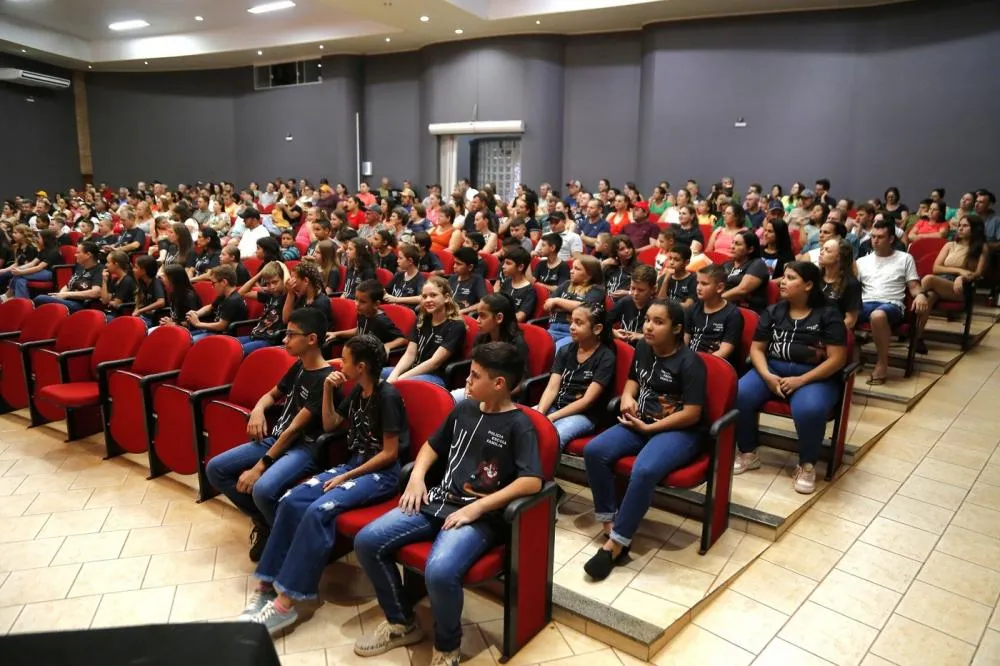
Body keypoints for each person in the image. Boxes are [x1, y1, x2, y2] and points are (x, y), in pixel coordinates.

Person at [352, 342, 541, 666]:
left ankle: (447, 648)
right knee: (367, 541)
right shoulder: (465, 408)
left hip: (477, 516)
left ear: (499, 384)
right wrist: (417, 477)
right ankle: (401, 623)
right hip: (438, 500)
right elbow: (431, 446)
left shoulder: (520, 424)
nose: (467, 380)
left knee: (440, 571)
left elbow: (532, 481)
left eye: (475, 375)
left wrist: (478, 508)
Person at [240, 334, 408, 634]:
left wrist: (345, 476)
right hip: (352, 467)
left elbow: (389, 453)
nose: (339, 364)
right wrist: (330, 390)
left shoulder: (388, 396)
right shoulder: (357, 390)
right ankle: (267, 585)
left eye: (344, 360)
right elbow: (330, 425)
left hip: (380, 475)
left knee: (318, 511)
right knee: (290, 500)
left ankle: (284, 606)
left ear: (361, 366)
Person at [582, 299, 705, 580]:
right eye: (647, 319)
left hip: (678, 430)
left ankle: (618, 542)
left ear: (676, 329)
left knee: (645, 469)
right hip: (641, 422)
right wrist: (627, 397)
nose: (648, 326)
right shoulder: (643, 348)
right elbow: (633, 381)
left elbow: (693, 413)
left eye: (658, 322)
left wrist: (652, 430)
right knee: (594, 451)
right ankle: (608, 522)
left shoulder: (690, 362)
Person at [206, 308, 334, 561]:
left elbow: (295, 429)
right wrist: (258, 410)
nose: (284, 340)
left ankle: (291, 547)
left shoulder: (325, 377)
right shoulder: (299, 367)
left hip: (302, 448)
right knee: (215, 469)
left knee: (262, 489)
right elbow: (271, 394)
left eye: (291, 335)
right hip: (277, 439)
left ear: (311, 339)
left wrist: (259, 467)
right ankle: (269, 525)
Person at [733, 261, 848, 493]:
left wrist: (800, 381)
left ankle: (806, 465)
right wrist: (766, 375)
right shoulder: (773, 311)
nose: (782, 282)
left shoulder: (828, 314)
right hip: (773, 369)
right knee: (739, 394)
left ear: (808, 285)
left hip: (813, 375)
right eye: (783, 277)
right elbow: (757, 349)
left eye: (790, 278)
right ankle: (748, 452)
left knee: (810, 409)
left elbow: (837, 359)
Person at [535, 304, 616, 450]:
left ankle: (539, 473)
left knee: (552, 437)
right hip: (555, 406)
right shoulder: (565, 349)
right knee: (522, 424)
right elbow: (552, 388)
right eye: (571, 321)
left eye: (578, 323)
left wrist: (552, 417)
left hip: (582, 415)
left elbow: (587, 401)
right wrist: (540, 414)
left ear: (597, 329)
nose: (571, 327)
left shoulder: (606, 357)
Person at [856, 221, 926, 385]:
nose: (875, 240)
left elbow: (914, 285)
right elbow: (852, 288)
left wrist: (921, 295)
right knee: (840, 312)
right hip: (865, 303)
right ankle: (854, 353)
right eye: (873, 236)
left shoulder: (905, 258)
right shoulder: (861, 261)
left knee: (878, 315)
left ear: (891, 239)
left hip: (892, 304)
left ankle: (882, 363)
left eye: (880, 237)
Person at [914, 215, 987, 352]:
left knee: (928, 280)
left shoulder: (981, 248)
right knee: (928, 297)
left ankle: (907, 312)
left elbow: (977, 273)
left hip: (961, 288)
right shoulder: (950, 245)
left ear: (975, 229)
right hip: (941, 282)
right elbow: (937, 268)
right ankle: (917, 338)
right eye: (959, 225)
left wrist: (962, 278)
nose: (960, 228)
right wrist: (960, 272)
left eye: (965, 226)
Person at [383, 276, 466, 387]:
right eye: (424, 296)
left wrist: (400, 378)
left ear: (446, 298)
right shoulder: (422, 319)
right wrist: (394, 375)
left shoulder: (456, 326)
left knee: (401, 384)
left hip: (435, 376)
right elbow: (410, 354)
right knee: (375, 374)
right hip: (414, 370)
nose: (427, 300)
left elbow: (434, 362)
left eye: (433, 295)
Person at [448, 293, 529, 402]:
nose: (477, 320)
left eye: (483, 316)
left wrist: (488, 395)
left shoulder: (517, 344)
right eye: (477, 315)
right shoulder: (481, 338)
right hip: (478, 389)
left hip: (501, 398)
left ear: (499, 318)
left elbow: (520, 383)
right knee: (449, 399)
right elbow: (473, 370)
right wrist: (469, 388)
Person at [326, 279, 408, 357]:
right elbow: (359, 330)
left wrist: (387, 346)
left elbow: (403, 340)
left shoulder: (382, 321)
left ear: (376, 304)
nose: (357, 304)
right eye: (356, 299)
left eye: (362, 302)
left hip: (372, 363)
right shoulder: (362, 312)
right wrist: (336, 334)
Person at [685, 264, 744, 366]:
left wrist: (698, 365)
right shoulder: (693, 308)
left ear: (719, 287)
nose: (698, 287)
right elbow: (685, 340)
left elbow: (725, 351)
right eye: (697, 283)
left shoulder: (733, 315)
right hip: (689, 360)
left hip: (714, 364)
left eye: (704, 284)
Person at [545, 255, 605, 350]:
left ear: (589, 276)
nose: (571, 271)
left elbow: (584, 308)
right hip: (552, 329)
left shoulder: (596, 290)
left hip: (573, 333)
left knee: (556, 350)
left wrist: (557, 301)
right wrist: (570, 306)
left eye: (577, 269)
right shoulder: (566, 284)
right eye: (572, 267)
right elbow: (547, 305)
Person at [33, 241, 104, 312]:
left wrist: (67, 294)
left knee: (40, 299)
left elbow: (96, 292)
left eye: (78, 252)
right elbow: (69, 285)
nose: (75, 255)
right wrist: (60, 295)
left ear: (88, 255)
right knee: (43, 300)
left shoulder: (99, 270)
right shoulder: (81, 266)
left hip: (81, 304)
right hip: (69, 299)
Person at [238, 261, 291, 354]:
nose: (272, 287)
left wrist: (283, 267)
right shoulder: (269, 295)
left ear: (282, 279)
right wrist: (260, 273)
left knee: (237, 351)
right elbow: (242, 292)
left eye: (275, 282)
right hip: (255, 335)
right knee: (227, 346)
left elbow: (288, 284)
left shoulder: (288, 296)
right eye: (268, 283)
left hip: (269, 340)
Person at [186, 265, 248, 339]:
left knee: (188, 341)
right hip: (213, 331)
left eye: (213, 283)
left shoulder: (233, 300)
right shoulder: (224, 295)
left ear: (224, 282)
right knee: (185, 336)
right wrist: (196, 313)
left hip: (223, 336)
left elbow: (221, 326)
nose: (212, 286)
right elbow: (210, 307)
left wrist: (198, 323)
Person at [721, 230, 770, 313]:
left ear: (750, 249)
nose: (732, 246)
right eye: (733, 242)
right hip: (726, 308)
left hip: (747, 311)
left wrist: (717, 300)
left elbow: (742, 290)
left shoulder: (758, 264)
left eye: (737, 244)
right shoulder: (727, 264)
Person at [5, 229, 61, 301]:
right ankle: (22, 301)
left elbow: (39, 267)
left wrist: (21, 272)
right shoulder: (44, 249)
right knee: (20, 279)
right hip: (42, 271)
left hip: (50, 273)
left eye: (39, 237)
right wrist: (19, 268)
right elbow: (32, 263)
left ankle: (10, 295)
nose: (37, 239)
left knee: (19, 275)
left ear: (45, 239)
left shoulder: (54, 252)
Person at [819, 238, 862, 329]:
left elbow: (850, 320)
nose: (821, 252)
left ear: (839, 257)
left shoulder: (851, 284)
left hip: (837, 332)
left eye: (827, 250)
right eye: (822, 249)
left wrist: (830, 332)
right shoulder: (814, 278)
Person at [609, 265, 657, 345]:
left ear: (653, 289)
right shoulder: (625, 301)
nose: (635, 294)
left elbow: (665, 339)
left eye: (641, 290)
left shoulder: (658, 308)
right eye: (633, 288)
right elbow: (603, 323)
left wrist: (641, 336)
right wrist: (614, 332)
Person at [282, 262, 331, 332]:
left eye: (294, 280)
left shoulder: (321, 303)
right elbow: (286, 319)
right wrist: (290, 293)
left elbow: (308, 331)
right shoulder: (302, 297)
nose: (292, 284)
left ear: (305, 281)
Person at [498, 246, 537, 323]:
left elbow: (520, 316)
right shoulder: (507, 282)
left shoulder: (529, 291)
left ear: (520, 267)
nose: (503, 266)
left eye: (508, 263)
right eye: (504, 262)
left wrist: (499, 321)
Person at [447, 247, 486, 314]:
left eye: (458, 264)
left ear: (470, 267)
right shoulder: (452, 278)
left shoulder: (477, 280)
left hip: (464, 315)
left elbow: (484, 302)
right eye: (454, 263)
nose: (454, 266)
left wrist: (462, 311)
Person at [130, 255, 167, 326]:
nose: (133, 269)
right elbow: (139, 299)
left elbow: (161, 302)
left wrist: (140, 311)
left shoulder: (156, 282)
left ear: (144, 271)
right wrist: (136, 310)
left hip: (155, 319)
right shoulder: (142, 281)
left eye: (136, 267)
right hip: (144, 316)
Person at [97, 251, 136, 316]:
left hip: (123, 315)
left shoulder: (127, 280)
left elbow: (116, 304)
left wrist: (109, 301)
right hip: (111, 313)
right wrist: (104, 281)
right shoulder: (115, 279)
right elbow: (105, 300)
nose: (106, 265)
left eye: (108, 262)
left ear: (116, 264)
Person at [603, 235, 638, 300]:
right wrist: (603, 264)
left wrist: (628, 293)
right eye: (622, 249)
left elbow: (644, 291)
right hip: (606, 302)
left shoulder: (639, 267)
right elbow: (599, 285)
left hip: (626, 302)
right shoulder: (609, 266)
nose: (627, 251)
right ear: (615, 252)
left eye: (629, 247)